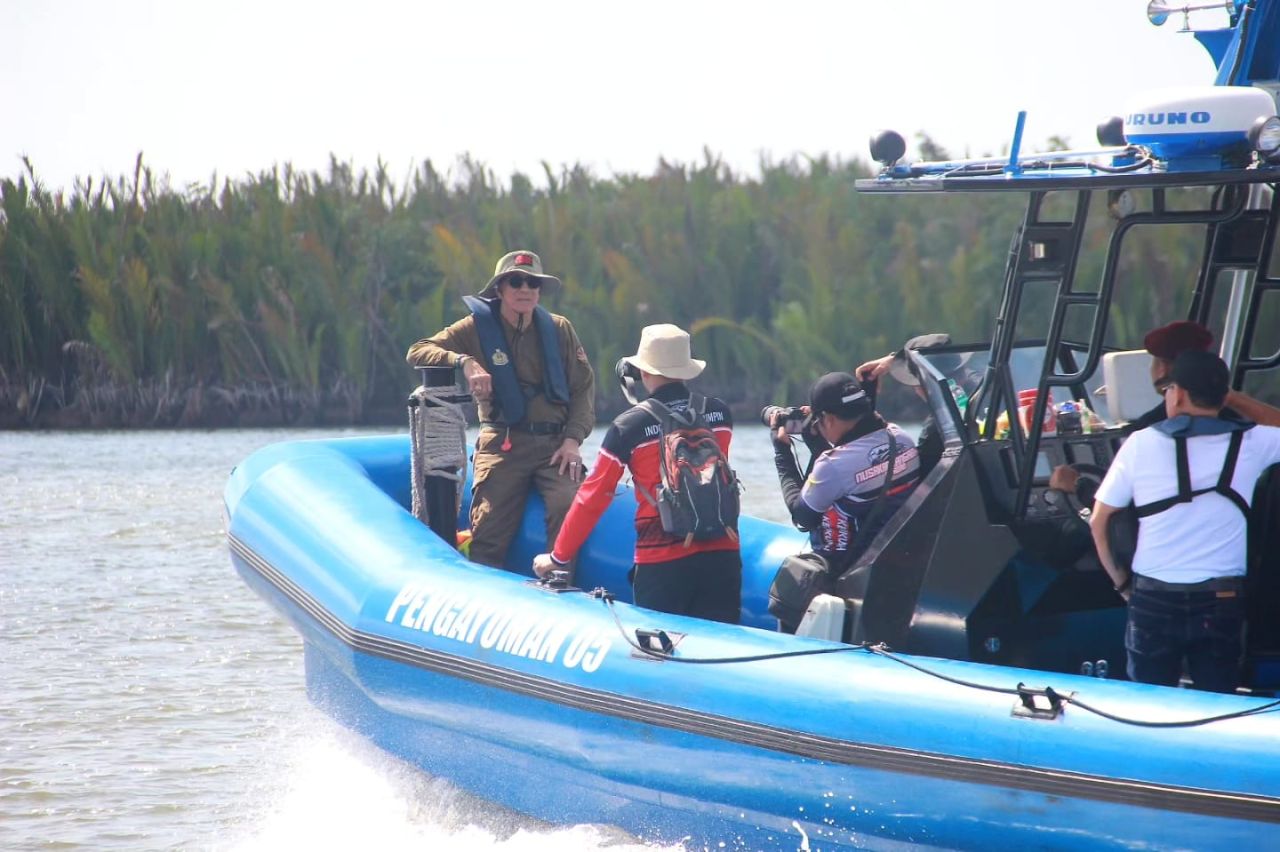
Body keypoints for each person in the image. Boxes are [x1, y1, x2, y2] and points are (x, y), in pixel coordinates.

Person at [1090, 351, 1280, 692]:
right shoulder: (1253, 442)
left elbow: (1099, 521)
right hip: (1221, 598)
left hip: (1152, 598)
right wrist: (1230, 397)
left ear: (1176, 394)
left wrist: (1122, 585)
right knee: (1218, 706)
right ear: (1223, 397)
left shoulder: (1140, 443)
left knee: (1147, 706)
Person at [532, 324, 742, 623]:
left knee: (660, 656)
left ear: (643, 372)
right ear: (686, 369)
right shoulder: (720, 414)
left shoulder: (629, 426)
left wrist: (557, 557)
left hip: (663, 562)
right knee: (720, 651)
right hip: (723, 553)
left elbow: (593, 496)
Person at [406, 250, 594, 572]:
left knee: (568, 505)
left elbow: (583, 390)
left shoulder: (559, 329)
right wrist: (464, 362)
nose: (525, 289)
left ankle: (560, 583)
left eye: (533, 283)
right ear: (499, 289)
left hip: (554, 445)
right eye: (516, 281)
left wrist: (573, 440)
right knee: (489, 527)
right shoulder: (475, 328)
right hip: (503, 444)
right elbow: (418, 350)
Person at [1049, 320, 1280, 494]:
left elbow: (1116, 505)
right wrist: (1228, 396)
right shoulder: (1245, 431)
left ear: (1162, 371)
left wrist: (1076, 484)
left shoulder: (1145, 436)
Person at [770, 372, 922, 576]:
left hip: (850, 575)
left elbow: (803, 517)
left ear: (829, 419)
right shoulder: (902, 438)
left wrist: (782, 453)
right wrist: (819, 448)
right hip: (900, 558)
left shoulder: (832, 466)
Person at [856, 333, 979, 476]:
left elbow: (920, 481)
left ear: (923, 385)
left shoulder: (936, 432)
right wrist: (895, 360)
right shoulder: (982, 384)